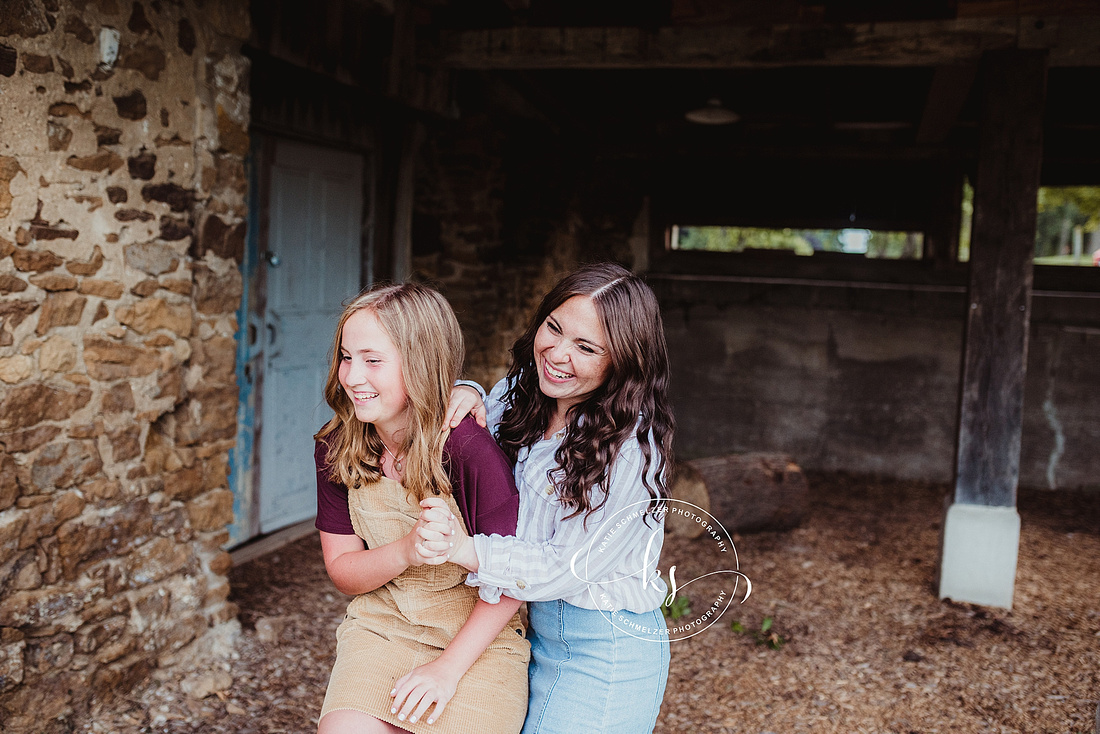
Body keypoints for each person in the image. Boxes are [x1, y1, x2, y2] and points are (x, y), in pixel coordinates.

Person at [422, 262, 675, 734]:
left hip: (606, 648)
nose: (557, 354)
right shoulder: (524, 393)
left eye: (586, 347)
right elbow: (481, 424)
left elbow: (568, 566)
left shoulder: (631, 452)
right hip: (529, 629)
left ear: (623, 362)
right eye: (553, 328)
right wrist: (467, 390)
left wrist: (464, 549)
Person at [313, 282, 530, 734]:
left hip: (475, 642)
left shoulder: (467, 449)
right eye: (346, 357)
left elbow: (512, 578)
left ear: (420, 363)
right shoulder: (336, 447)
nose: (352, 376)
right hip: (382, 627)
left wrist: (446, 671)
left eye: (373, 361)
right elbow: (343, 571)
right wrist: (407, 550)